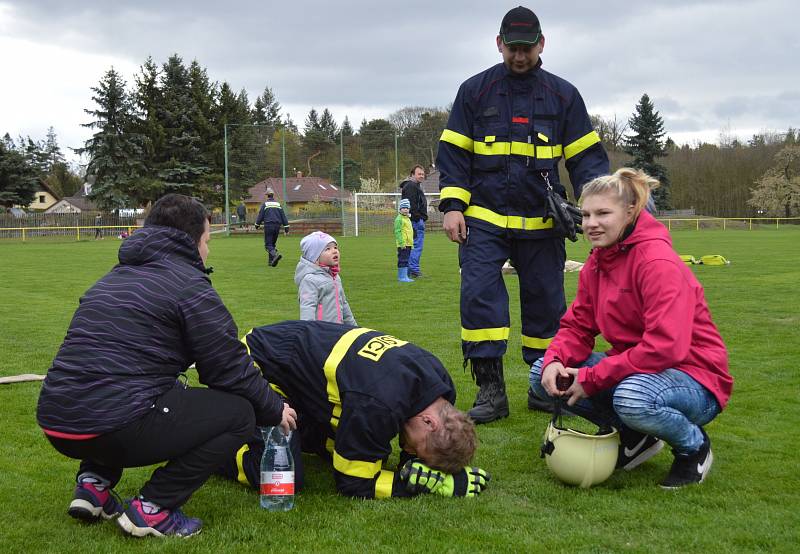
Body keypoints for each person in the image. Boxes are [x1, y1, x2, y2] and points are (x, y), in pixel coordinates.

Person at [36, 193, 297, 538]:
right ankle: (153, 509)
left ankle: (93, 486)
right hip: (111, 424)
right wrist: (273, 407)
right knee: (239, 414)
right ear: (190, 241)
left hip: (57, 422)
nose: (209, 250)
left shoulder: (111, 279)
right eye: (206, 240)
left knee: (144, 389)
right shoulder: (189, 285)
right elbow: (227, 367)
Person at [436, 6, 609, 423]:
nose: (519, 56)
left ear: (541, 44)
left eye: (526, 48)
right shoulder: (474, 91)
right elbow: (454, 154)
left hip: (543, 222)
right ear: (499, 44)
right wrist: (453, 206)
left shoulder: (564, 95)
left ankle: (541, 384)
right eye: (512, 48)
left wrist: (599, 209)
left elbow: (587, 159)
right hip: (484, 220)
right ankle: (490, 390)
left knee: (547, 306)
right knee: (479, 298)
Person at [529, 168, 732, 488]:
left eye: (603, 213)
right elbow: (578, 326)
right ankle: (637, 437)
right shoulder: (597, 263)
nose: (591, 223)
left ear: (629, 212)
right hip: (641, 370)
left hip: (696, 377)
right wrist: (556, 357)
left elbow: (667, 346)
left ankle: (694, 448)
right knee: (543, 373)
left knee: (632, 398)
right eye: (586, 214)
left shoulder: (657, 262)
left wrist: (593, 377)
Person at [218, 320, 489, 499]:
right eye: (417, 450)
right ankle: (214, 447)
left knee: (352, 451)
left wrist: (435, 470)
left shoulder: (439, 384)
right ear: (429, 422)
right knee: (283, 480)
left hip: (296, 372)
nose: (408, 453)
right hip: (257, 369)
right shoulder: (378, 403)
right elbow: (353, 482)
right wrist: (425, 486)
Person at [294, 231, 357, 325]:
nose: (334, 251)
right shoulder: (310, 280)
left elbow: (344, 304)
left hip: (338, 331)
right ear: (314, 256)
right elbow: (307, 308)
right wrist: (309, 333)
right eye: (328, 249)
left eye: (335, 247)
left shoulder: (335, 277)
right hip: (321, 333)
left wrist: (355, 328)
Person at [400, 165, 428, 278]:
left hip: (413, 220)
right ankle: (414, 270)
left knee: (411, 245)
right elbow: (411, 204)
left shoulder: (412, 186)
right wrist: (418, 218)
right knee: (416, 245)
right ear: (412, 174)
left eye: (422, 174)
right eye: (419, 174)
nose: (421, 176)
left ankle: (408, 269)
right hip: (414, 221)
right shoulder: (412, 186)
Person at [255, 188, 289, 267]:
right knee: (272, 244)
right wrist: (286, 228)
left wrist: (257, 225)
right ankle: (271, 262)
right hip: (277, 226)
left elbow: (260, 215)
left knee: (268, 245)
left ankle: (275, 254)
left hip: (268, 226)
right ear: (273, 195)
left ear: (267, 196)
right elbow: (283, 216)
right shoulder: (278, 204)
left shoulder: (265, 204)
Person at [394, 198, 414, 283]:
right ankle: (402, 277)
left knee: (406, 259)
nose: (406, 210)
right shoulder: (399, 219)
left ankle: (405, 275)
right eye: (404, 208)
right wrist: (402, 243)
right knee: (403, 259)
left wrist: (411, 243)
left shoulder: (407, 218)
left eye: (407, 208)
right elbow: (397, 232)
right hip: (403, 244)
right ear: (400, 209)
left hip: (408, 243)